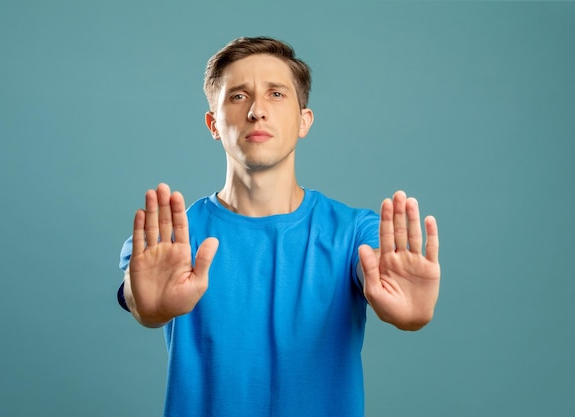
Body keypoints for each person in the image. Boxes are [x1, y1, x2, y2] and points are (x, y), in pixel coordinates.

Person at [117, 36, 440, 417]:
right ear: (213, 124)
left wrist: (411, 311)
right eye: (238, 96)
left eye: (276, 94)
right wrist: (148, 308)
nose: (257, 111)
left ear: (304, 120)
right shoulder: (171, 237)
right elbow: (139, 297)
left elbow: (381, 269)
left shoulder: (356, 233)